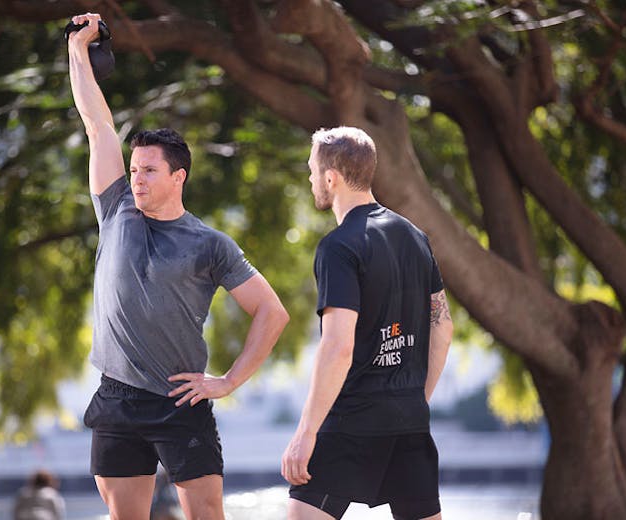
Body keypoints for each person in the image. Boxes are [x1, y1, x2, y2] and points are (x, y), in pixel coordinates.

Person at [66, 12, 290, 520]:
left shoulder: (210, 244)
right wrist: (79, 51)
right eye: (133, 169)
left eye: (148, 170)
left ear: (178, 176)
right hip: (117, 396)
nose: (137, 178)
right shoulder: (115, 208)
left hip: (180, 400)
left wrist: (227, 381)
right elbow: (97, 126)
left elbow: (272, 313)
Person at [281, 127, 453, 520]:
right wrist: (413, 400)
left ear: (331, 177)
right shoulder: (415, 237)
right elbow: (443, 328)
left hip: (351, 423)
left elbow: (339, 347)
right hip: (409, 422)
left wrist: (306, 435)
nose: (310, 180)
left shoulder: (339, 247)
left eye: (312, 171)